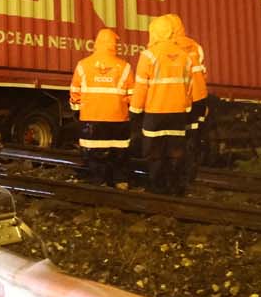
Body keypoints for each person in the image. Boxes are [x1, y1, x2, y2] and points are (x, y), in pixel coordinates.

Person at [128, 15, 194, 195]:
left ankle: (156, 186)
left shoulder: (149, 55)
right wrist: (187, 108)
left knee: (154, 151)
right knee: (175, 151)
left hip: (155, 112)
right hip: (178, 112)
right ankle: (174, 187)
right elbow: (189, 85)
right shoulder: (184, 56)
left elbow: (141, 86)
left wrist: (134, 111)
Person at [68, 28, 135, 188]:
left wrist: (77, 109)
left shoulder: (83, 65)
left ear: (97, 43)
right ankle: (120, 181)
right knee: (119, 151)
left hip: (91, 117)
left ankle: (98, 181)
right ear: (114, 45)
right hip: (118, 117)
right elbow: (132, 94)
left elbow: (75, 92)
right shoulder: (125, 67)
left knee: (93, 151)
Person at [164, 12, 210, 186]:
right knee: (191, 139)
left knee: (173, 139)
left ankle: (173, 178)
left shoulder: (167, 49)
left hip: (176, 101)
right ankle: (187, 177)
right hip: (197, 99)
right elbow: (202, 74)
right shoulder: (195, 47)